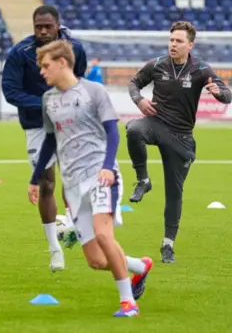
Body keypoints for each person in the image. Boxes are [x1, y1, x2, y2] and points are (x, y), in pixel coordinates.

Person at [28, 40, 153, 317]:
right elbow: (50, 141)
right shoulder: (48, 100)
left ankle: (128, 303)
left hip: (100, 175)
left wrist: (108, 166)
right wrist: (35, 178)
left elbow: (113, 131)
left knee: (103, 235)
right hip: (72, 185)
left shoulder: (94, 91)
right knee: (96, 261)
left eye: (45, 65)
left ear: (62, 62)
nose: (42, 72)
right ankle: (139, 267)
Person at [126, 21, 231, 263]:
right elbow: (134, 83)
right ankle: (143, 179)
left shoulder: (202, 69)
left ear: (190, 45)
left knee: (174, 194)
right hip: (156, 124)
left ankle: (167, 245)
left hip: (181, 138)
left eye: (178, 41)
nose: (173, 44)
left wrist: (217, 92)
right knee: (133, 129)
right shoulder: (156, 64)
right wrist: (139, 100)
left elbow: (227, 95)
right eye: (171, 39)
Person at [2, 5, 88, 271]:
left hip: (69, 123)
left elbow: (80, 80)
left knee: (72, 181)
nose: (42, 31)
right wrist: (45, 103)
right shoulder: (20, 53)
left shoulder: (76, 49)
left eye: (47, 26)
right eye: (38, 26)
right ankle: (54, 248)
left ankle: (74, 227)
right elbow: (11, 91)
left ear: (58, 24)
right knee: (47, 184)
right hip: (37, 126)